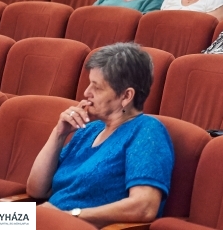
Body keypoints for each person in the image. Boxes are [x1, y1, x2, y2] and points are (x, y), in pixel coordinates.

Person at [27, 43, 174, 227]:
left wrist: (70, 216)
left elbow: (144, 206)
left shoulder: (146, 131)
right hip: (45, 219)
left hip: (72, 224)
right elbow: (36, 190)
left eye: (96, 87)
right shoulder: (89, 129)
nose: (86, 93)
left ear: (126, 96)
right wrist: (58, 134)